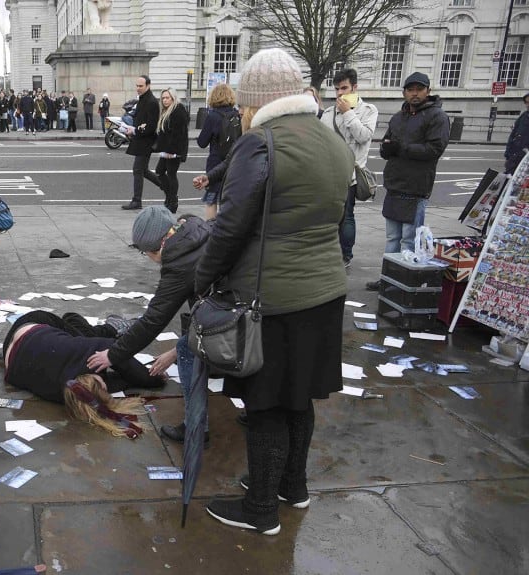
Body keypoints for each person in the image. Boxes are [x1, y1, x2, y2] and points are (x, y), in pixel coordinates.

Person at [194, 48, 353, 536]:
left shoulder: (260, 143)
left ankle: (261, 509)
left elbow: (230, 226)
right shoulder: (329, 139)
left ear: (256, 102)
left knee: (265, 403)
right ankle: (292, 487)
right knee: (299, 396)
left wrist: (202, 279)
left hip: (273, 298)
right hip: (325, 291)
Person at [86, 207, 210, 442]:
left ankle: (196, 428)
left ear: (159, 245)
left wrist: (112, 355)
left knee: (187, 353)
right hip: (246, 306)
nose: (150, 259)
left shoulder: (179, 262)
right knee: (184, 346)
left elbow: (153, 320)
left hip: (234, 317)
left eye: (146, 253)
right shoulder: (196, 229)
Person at [4, 310, 164, 438]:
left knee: (73, 319)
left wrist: (153, 378)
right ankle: (111, 327)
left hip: (33, 323)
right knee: (83, 333)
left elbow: (118, 354)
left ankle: (111, 328)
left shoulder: (85, 352)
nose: (106, 383)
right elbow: (121, 381)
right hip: (11, 354)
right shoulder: (67, 393)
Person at [365, 71, 450, 291]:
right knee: (392, 237)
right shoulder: (398, 116)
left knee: (408, 239)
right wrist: (386, 148)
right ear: (404, 92)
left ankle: (401, 282)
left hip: (416, 187)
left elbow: (435, 149)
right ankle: (388, 279)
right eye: (410, 89)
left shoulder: (437, 117)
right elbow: (387, 143)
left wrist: (402, 148)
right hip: (395, 184)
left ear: (428, 91)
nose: (414, 94)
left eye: (419, 89)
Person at [320, 68, 378, 268]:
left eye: (344, 88)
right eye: (336, 89)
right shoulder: (328, 113)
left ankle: (345, 255)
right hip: (329, 174)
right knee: (327, 216)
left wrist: (348, 113)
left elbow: (363, 136)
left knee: (346, 216)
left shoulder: (369, 110)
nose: (339, 93)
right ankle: (328, 252)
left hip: (351, 174)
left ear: (355, 87)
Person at [195, 84, 240, 220]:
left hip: (215, 162)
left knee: (211, 199)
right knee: (229, 198)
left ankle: (211, 229)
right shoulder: (237, 115)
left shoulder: (212, 116)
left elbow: (202, 142)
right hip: (234, 161)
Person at [121, 75, 160, 210]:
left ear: (148, 86)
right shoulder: (143, 99)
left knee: (138, 170)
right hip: (140, 140)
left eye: (140, 86)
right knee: (143, 170)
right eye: (137, 86)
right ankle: (166, 186)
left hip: (146, 141)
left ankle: (137, 200)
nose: (138, 88)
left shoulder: (152, 102)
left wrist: (135, 130)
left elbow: (150, 126)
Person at [151, 89, 189, 213]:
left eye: (167, 98)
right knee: (160, 172)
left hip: (174, 150)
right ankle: (170, 197)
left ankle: (173, 201)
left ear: (173, 98)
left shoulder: (178, 111)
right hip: (167, 149)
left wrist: (171, 151)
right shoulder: (166, 111)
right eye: (163, 98)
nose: (165, 100)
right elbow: (164, 133)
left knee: (171, 174)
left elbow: (178, 134)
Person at [504, 92, 529, 174]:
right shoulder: (524, 116)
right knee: (508, 180)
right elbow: (513, 134)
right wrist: (508, 154)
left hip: (526, 160)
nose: (528, 105)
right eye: (526, 102)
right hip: (515, 157)